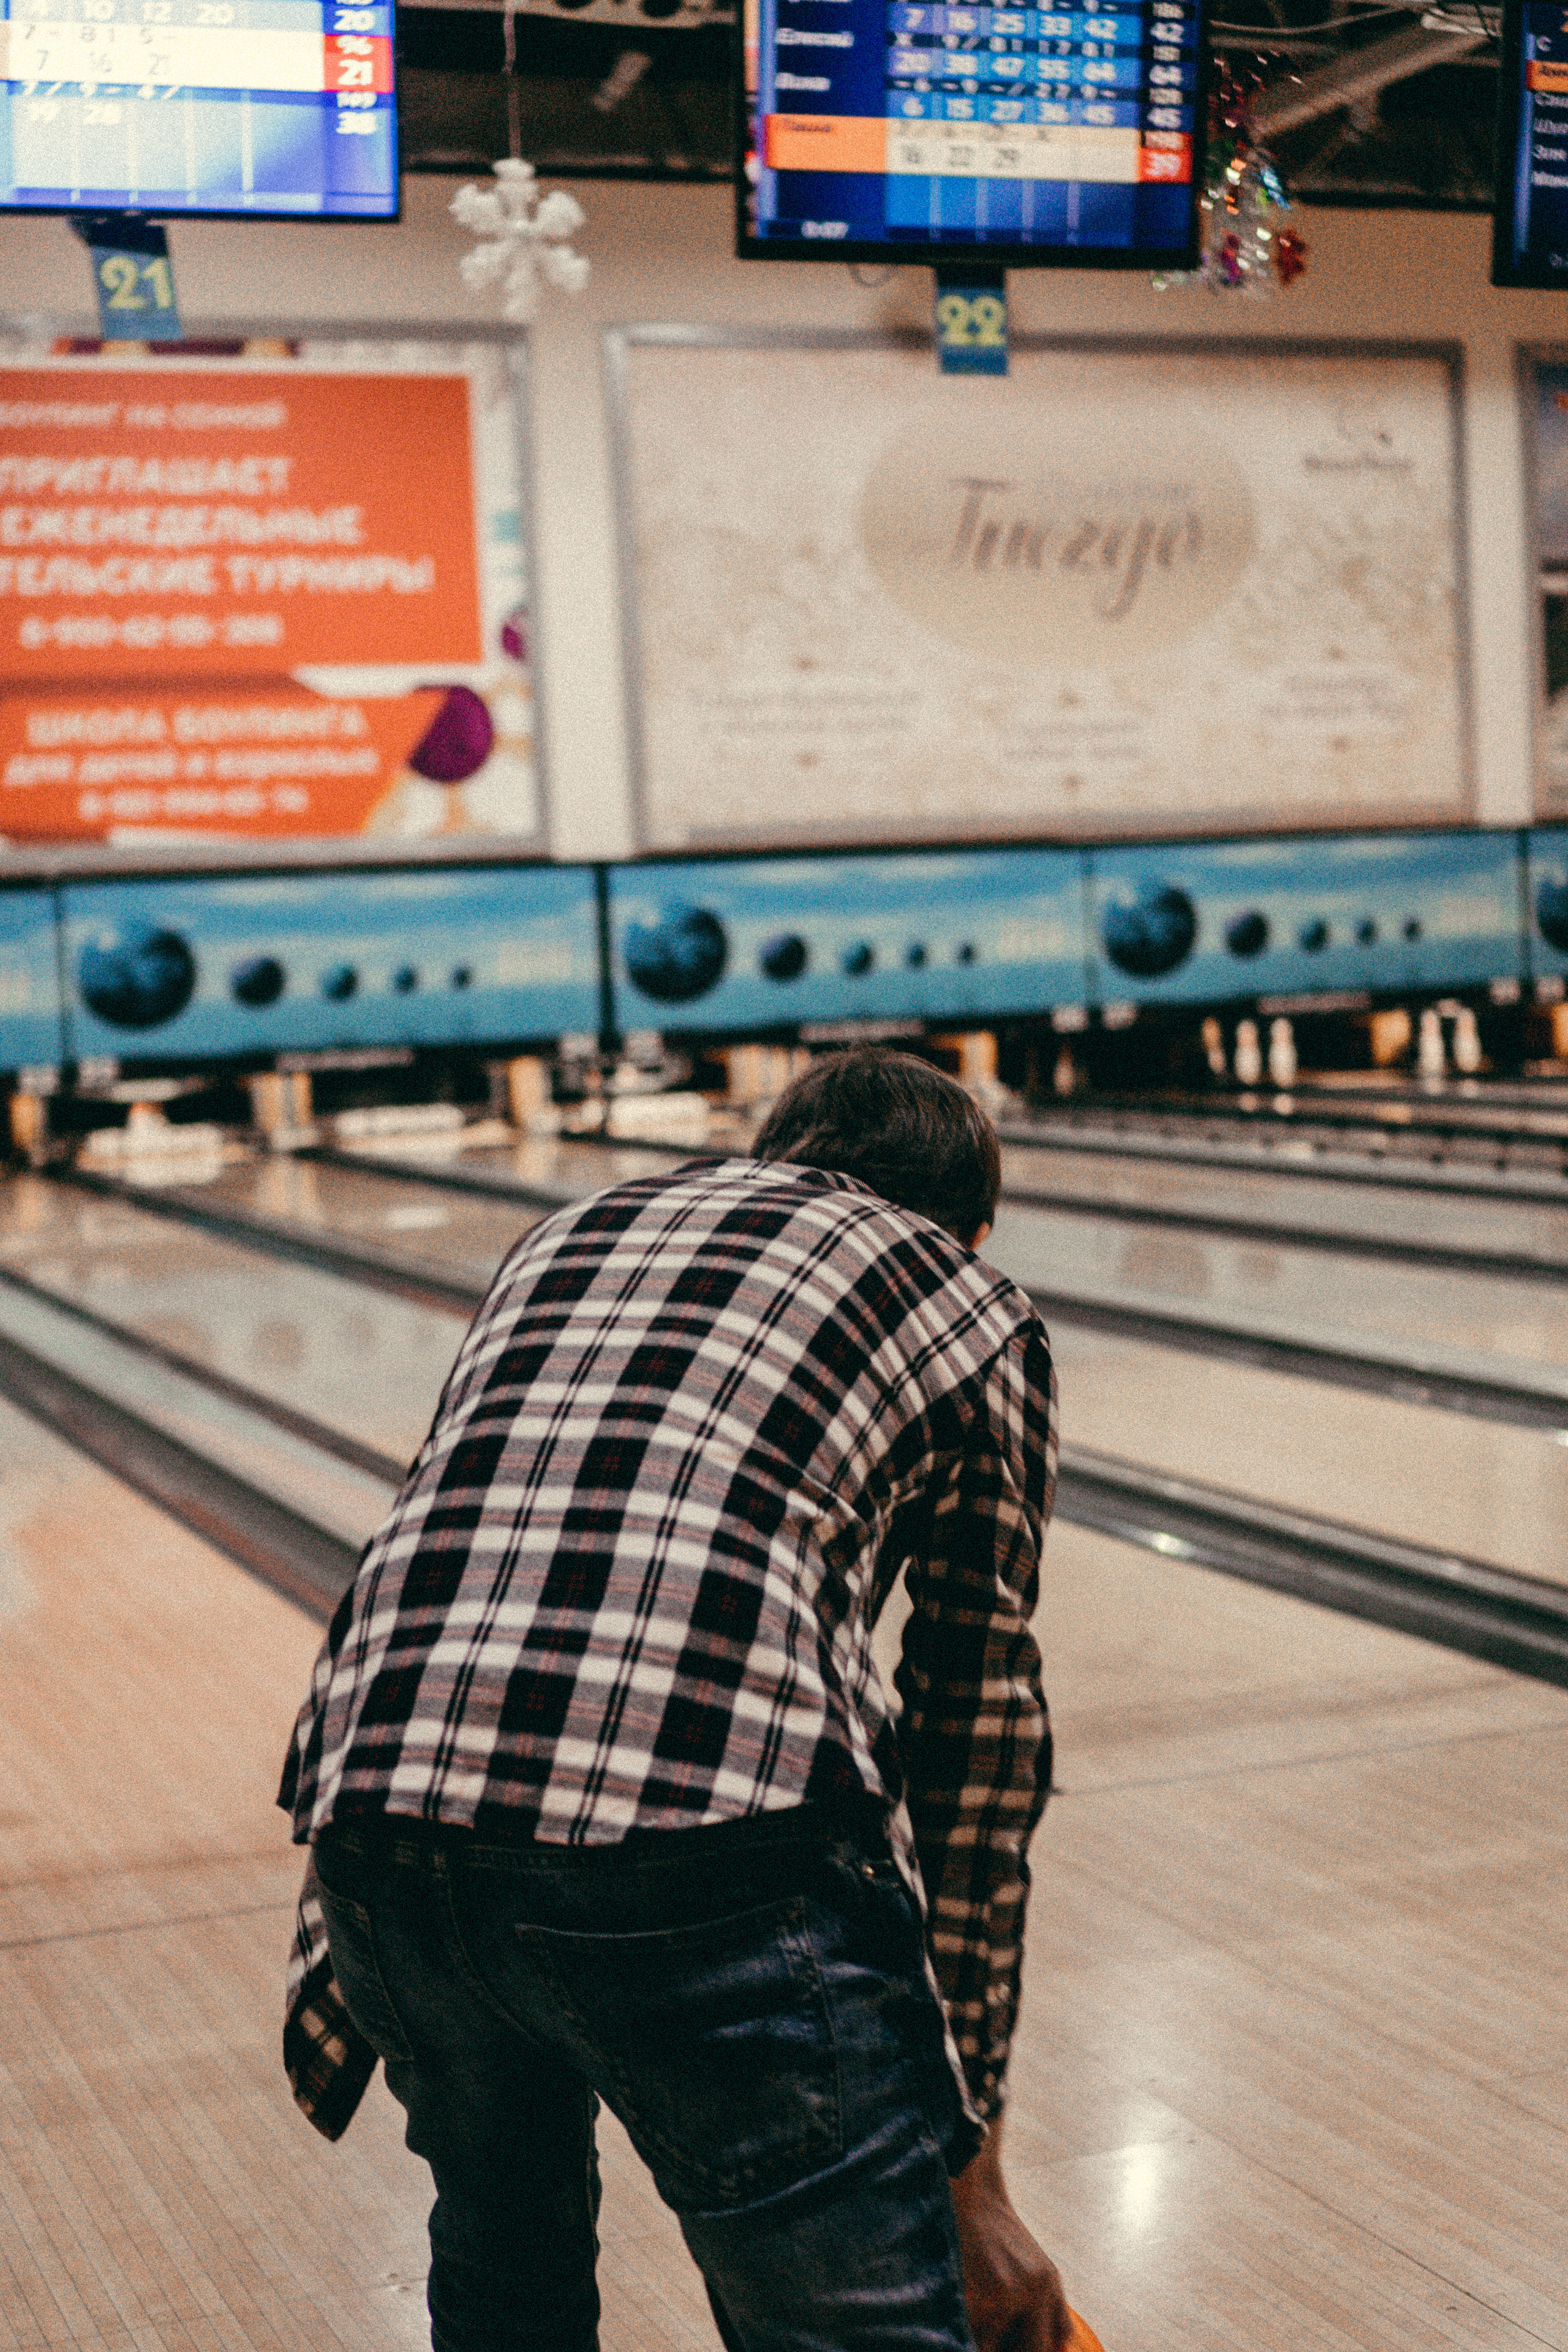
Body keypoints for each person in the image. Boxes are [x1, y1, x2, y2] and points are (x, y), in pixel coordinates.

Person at [279, 1046, 1069, 2352]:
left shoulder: (565, 1235)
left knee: (504, 2290)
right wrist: (964, 2159)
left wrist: (352, 1949)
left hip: (373, 1838)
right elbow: (972, 1741)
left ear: (768, 1155)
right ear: (974, 1227)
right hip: (702, 1870)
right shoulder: (970, 1298)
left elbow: (458, 1581)